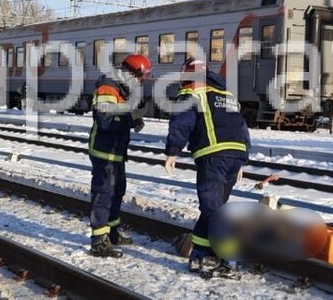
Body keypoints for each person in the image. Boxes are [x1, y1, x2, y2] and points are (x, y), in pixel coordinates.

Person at [164, 59, 250, 277]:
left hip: (213, 157)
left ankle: (229, 262)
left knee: (215, 212)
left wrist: (173, 151)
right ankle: (198, 254)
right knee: (212, 209)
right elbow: (242, 128)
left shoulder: (193, 93)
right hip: (235, 155)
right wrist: (242, 159)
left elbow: (181, 122)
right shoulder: (227, 95)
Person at [86, 54, 152, 258]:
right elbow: (106, 120)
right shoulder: (108, 88)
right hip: (104, 151)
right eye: (141, 78)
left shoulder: (122, 89)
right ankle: (98, 241)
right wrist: (130, 118)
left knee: (117, 191)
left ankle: (112, 233)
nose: (141, 82)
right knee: (104, 193)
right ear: (131, 73)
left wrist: (132, 121)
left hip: (115, 152)